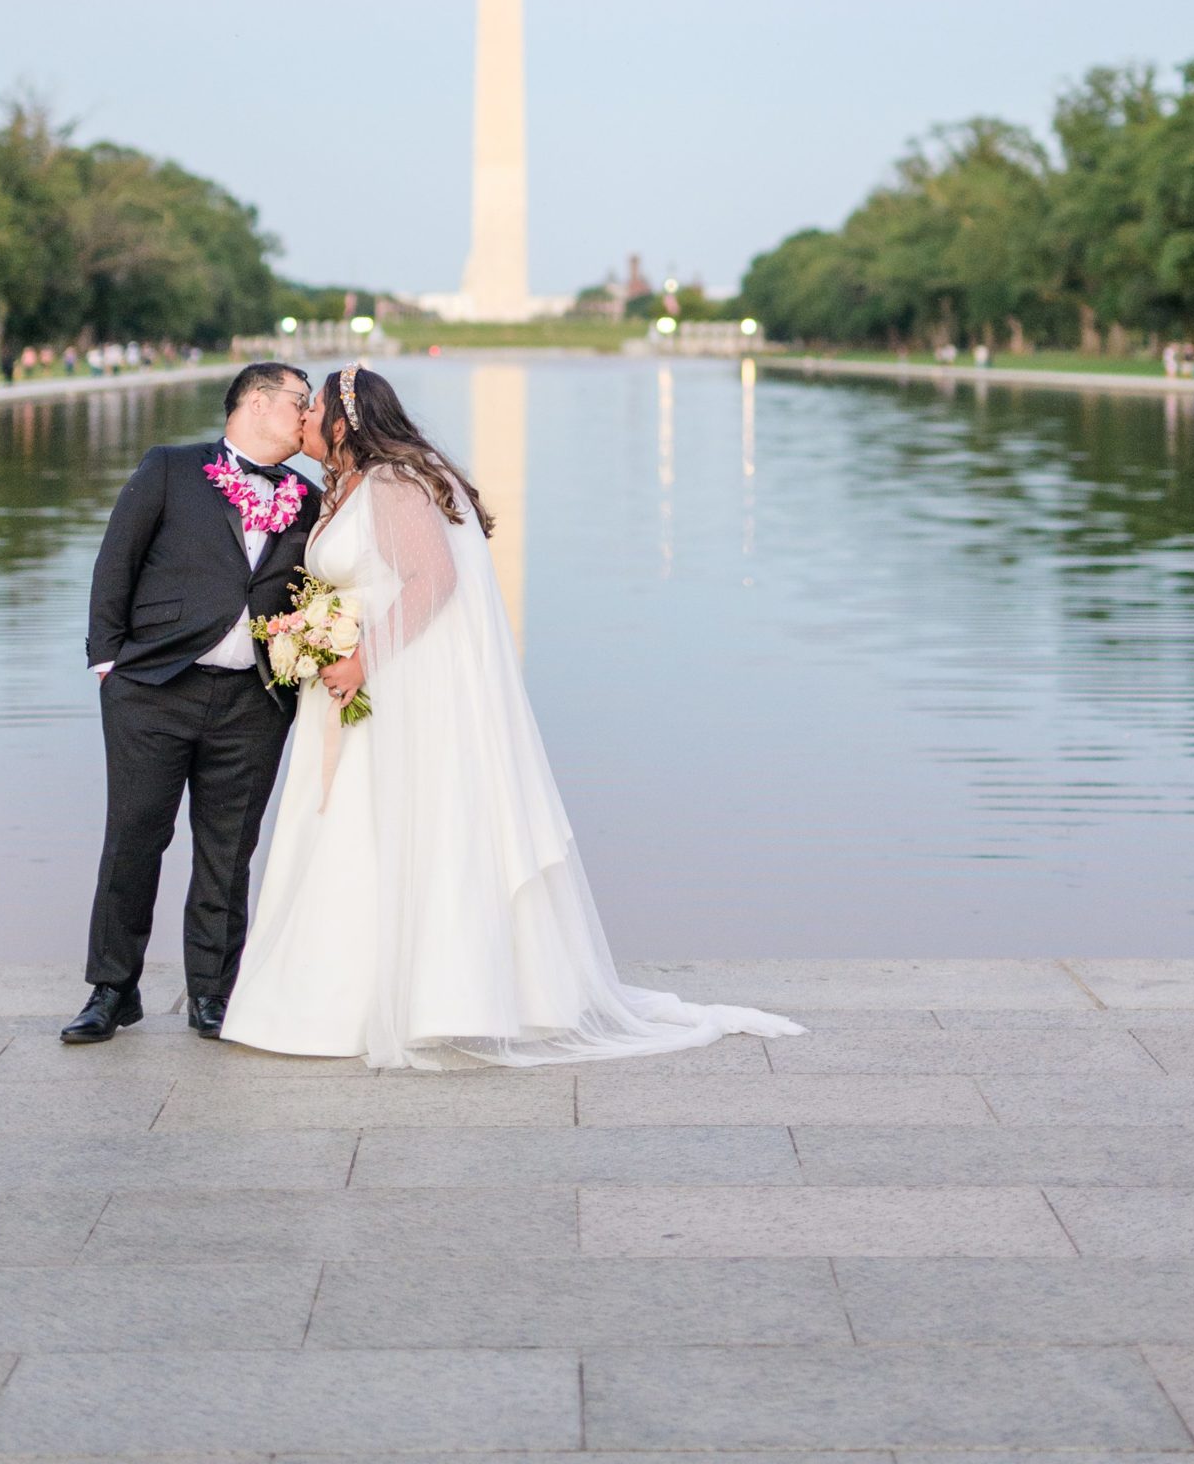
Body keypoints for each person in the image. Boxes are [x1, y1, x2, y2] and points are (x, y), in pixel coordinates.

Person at [222, 365, 804, 1068]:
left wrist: (360, 656)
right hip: (353, 686)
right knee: (350, 831)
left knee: (391, 829)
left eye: (312, 409)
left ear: (345, 421)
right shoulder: (342, 486)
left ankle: (421, 997)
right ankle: (330, 995)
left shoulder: (392, 483)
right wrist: (316, 635)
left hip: (391, 681)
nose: (304, 419)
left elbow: (433, 580)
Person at [61, 360, 320, 1046]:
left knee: (228, 850)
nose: (308, 415)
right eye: (301, 401)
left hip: (254, 699)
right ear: (258, 403)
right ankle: (112, 990)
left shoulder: (309, 496)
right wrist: (107, 662)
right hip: (153, 688)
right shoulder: (172, 467)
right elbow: (116, 560)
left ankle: (212, 992)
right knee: (133, 838)